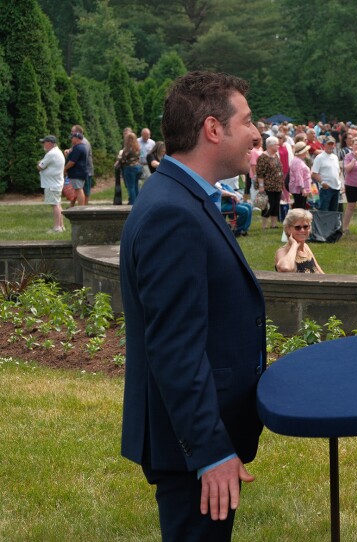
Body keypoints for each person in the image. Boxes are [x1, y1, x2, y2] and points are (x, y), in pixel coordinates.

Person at [119, 71, 266, 541]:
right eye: (247, 120)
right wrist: (209, 451)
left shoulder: (183, 198)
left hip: (201, 437)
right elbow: (175, 348)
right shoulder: (171, 212)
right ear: (213, 128)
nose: (257, 133)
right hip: (194, 447)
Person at [275, 209, 325, 273]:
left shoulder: (306, 247)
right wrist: (294, 245)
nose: (302, 230)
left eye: (305, 226)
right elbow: (285, 267)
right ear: (288, 229)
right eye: (297, 227)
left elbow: (318, 269)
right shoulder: (282, 251)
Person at [37, 135, 65, 233]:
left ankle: (57, 228)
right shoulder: (57, 152)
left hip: (52, 184)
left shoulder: (51, 154)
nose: (43, 145)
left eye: (44, 142)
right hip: (55, 183)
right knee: (57, 204)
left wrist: (39, 163)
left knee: (55, 205)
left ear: (49, 143)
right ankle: (61, 226)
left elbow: (40, 166)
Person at [256, 136, 284, 229]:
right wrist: (261, 186)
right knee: (268, 205)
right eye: (276, 145)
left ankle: (274, 224)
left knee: (276, 205)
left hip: (277, 185)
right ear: (270, 145)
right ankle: (264, 225)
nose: (278, 146)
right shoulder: (263, 157)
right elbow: (260, 173)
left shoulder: (276, 155)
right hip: (268, 185)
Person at [311, 136, 342, 212]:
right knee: (324, 211)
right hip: (326, 189)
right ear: (324, 145)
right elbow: (314, 173)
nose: (331, 146)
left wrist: (339, 182)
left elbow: (338, 171)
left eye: (332, 144)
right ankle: (322, 224)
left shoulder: (335, 157)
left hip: (336, 188)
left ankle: (331, 224)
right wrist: (322, 182)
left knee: (334, 211)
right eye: (329, 144)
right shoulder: (319, 157)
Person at [342, 137, 357, 232]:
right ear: (351, 145)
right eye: (356, 144)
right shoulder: (348, 156)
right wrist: (354, 159)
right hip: (351, 185)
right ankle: (345, 227)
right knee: (351, 206)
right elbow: (347, 169)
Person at [115, 133, 141, 205]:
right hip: (138, 167)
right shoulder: (138, 147)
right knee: (136, 186)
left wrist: (118, 158)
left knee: (131, 187)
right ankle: (138, 202)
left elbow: (123, 159)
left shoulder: (128, 148)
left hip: (130, 168)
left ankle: (132, 203)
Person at [64, 132, 89, 207]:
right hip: (78, 172)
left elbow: (72, 162)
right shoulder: (80, 147)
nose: (71, 139)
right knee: (76, 190)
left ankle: (81, 208)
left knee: (78, 189)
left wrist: (64, 169)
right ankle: (72, 206)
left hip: (77, 173)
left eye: (72, 137)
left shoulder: (78, 148)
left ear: (77, 138)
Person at [71, 125, 94, 204]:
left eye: (72, 132)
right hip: (80, 170)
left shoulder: (84, 143)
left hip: (86, 170)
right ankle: (72, 206)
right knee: (78, 188)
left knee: (85, 190)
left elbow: (80, 156)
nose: (71, 134)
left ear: (78, 133)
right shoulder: (77, 142)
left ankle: (84, 208)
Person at [289, 141, 312, 210]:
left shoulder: (298, 160)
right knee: (300, 208)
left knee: (301, 207)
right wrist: (302, 188)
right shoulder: (297, 161)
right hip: (299, 190)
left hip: (301, 189)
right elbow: (298, 176)